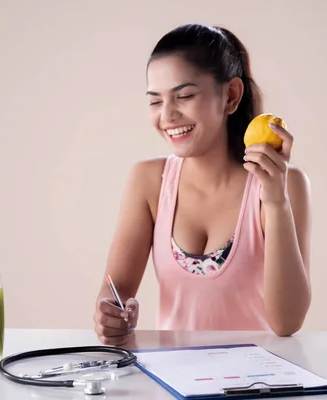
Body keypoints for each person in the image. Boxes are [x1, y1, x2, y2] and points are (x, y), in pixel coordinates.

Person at [93, 23, 312, 346]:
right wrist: (110, 317)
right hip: (174, 383)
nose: (167, 116)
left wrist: (276, 201)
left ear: (231, 95)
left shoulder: (285, 184)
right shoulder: (149, 180)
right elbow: (114, 293)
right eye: (155, 101)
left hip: (258, 384)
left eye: (184, 96)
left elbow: (287, 323)